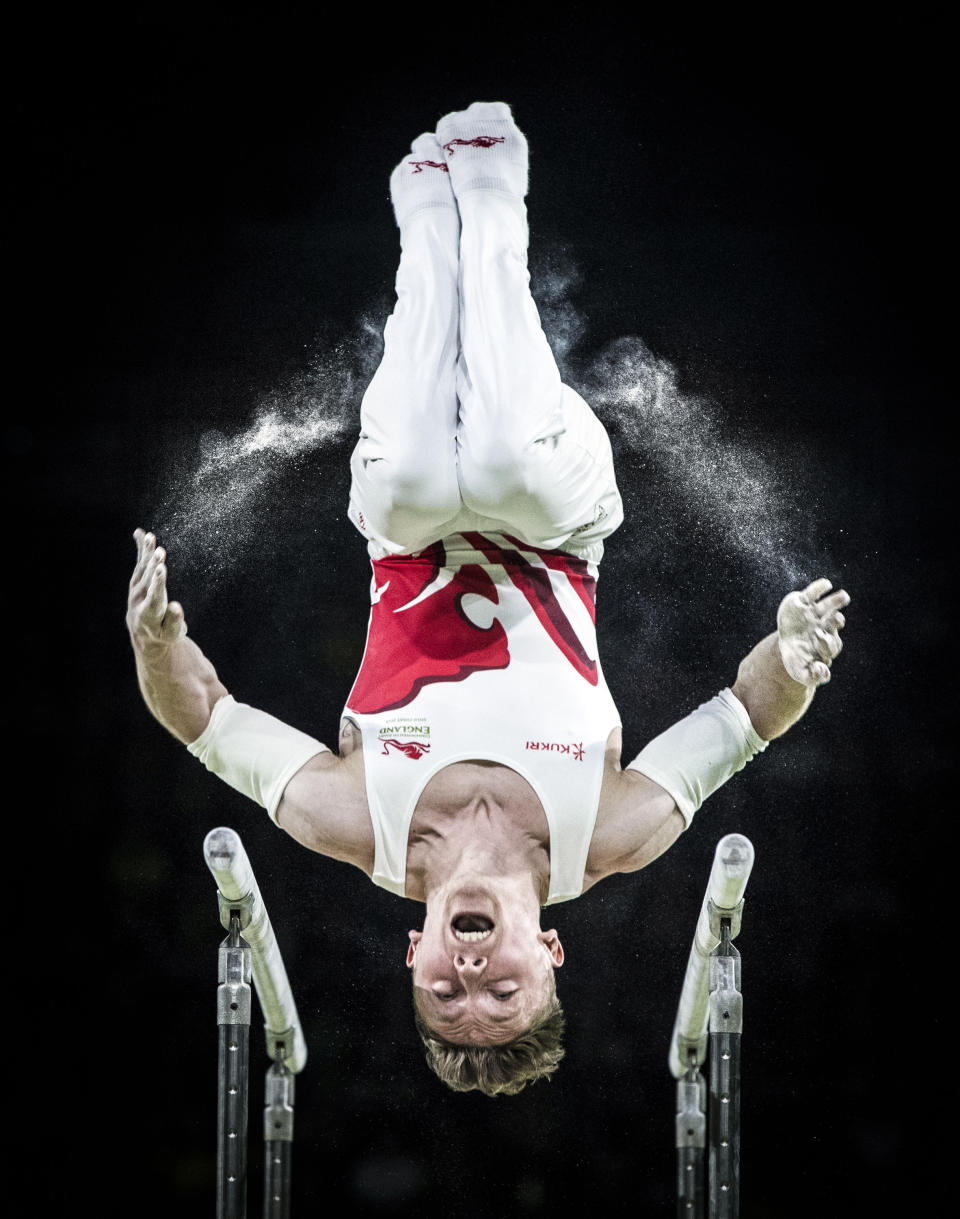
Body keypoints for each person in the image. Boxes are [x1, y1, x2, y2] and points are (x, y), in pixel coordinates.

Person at [126, 102, 849, 1096]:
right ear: (551, 953)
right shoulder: (607, 834)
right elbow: (749, 714)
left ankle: (425, 222)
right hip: (563, 522)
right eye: (500, 996)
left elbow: (205, 720)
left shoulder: (349, 819)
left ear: (410, 959)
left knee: (421, 470)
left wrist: (154, 642)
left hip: (405, 534)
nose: (472, 977)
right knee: (504, 453)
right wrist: (797, 651)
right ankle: (484, 191)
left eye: (445, 996)